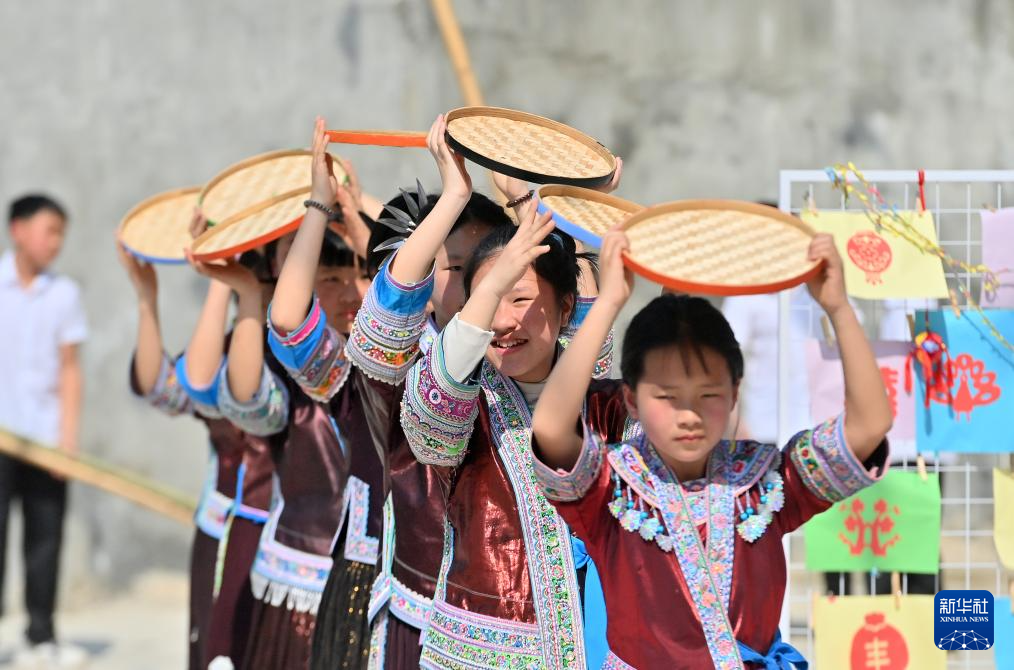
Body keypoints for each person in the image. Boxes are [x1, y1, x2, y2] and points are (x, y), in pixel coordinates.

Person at [530, 230, 893, 668]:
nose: (689, 414)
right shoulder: (609, 487)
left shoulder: (766, 482)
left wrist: (838, 307)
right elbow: (551, 426)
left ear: (734, 393)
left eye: (708, 395)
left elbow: (869, 426)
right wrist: (608, 302)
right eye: (667, 396)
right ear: (631, 400)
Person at [399, 196, 631, 669]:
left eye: (520, 299)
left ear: (565, 307)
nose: (503, 322)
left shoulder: (611, 408)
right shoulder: (464, 401)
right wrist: (494, 282)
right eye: (489, 301)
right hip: (481, 657)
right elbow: (426, 426)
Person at [266, 117, 430, 669]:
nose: (357, 292)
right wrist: (322, 204)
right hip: (371, 569)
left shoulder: (475, 353)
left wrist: (363, 215)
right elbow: (288, 320)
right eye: (336, 280)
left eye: (365, 276)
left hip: (463, 585)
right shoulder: (354, 369)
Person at [0, 195, 87, 667]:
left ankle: (41, 636)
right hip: (1, 437)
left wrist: (67, 440)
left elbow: (70, 368)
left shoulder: (64, 294)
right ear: (18, 229)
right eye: (49, 230)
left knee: (45, 539)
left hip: (45, 440)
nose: (56, 242)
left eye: (62, 234)